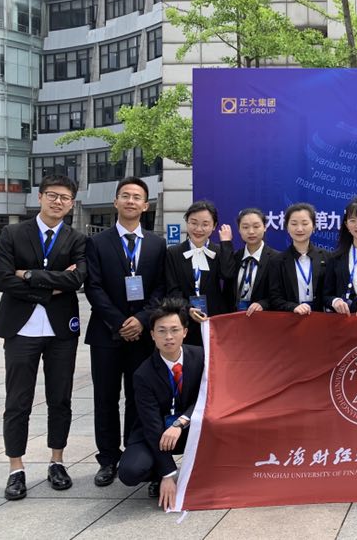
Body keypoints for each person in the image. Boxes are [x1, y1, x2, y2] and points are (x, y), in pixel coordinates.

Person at [0, 175, 87, 500]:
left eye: (64, 198)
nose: (58, 202)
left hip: (61, 332)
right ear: (40, 196)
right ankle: (16, 468)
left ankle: (57, 462)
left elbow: (77, 280)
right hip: (20, 330)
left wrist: (29, 275)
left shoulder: (77, 239)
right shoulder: (13, 233)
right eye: (52, 195)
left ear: (71, 204)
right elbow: (4, 279)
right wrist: (51, 288)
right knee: (18, 401)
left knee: (60, 399)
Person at [84, 176, 167, 487]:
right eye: (126, 196)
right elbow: (93, 287)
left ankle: (135, 454)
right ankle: (107, 459)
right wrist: (120, 322)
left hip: (143, 336)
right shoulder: (96, 242)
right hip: (106, 334)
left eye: (137, 197)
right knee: (105, 398)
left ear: (145, 206)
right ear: (116, 202)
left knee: (138, 396)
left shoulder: (157, 244)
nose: (131, 201)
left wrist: (142, 319)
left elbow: (161, 287)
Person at [118, 298, 204, 511]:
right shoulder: (143, 374)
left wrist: (181, 422)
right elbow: (151, 426)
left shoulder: (201, 357)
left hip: (188, 427)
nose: (168, 337)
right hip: (155, 432)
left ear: (185, 332)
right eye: (162, 331)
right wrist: (168, 473)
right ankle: (157, 473)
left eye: (174, 330)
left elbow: (205, 397)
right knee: (130, 471)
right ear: (152, 335)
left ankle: (203, 473)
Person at [165, 201, 229, 346]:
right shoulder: (173, 253)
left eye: (205, 224)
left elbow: (227, 275)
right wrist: (188, 309)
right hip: (184, 321)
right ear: (187, 223)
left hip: (214, 321)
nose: (199, 229)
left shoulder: (220, 252)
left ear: (214, 226)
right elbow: (172, 289)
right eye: (193, 223)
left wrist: (226, 244)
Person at [268, 203, 330, 314]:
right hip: (291, 318)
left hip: (320, 318)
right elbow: (274, 298)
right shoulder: (277, 261)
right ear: (287, 227)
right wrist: (292, 307)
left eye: (305, 223)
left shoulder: (326, 257)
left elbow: (331, 292)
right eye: (294, 224)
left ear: (314, 227)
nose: (299, 229)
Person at [219, 208, 277, 316]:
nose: (251, 231)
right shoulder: (235, 257)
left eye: (256, 226)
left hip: (263, 319)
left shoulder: (276, 258)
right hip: (235, 318)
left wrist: (263, 304)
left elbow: (280, 294)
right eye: (245, 227)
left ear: (265, 227)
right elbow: (226, 275)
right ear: (239, 230)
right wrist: (226, 243)